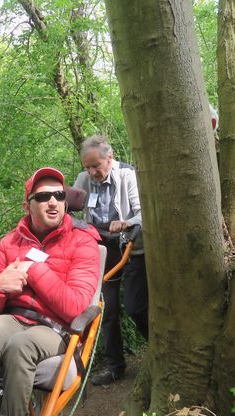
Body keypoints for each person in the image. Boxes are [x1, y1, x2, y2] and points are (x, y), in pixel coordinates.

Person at [0, 167, 101, 416]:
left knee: (21, 345)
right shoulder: (9, 243)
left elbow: (75, 308)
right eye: (42, 196)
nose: (52, 202)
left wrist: (33, 269)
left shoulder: (82, 242)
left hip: (55, 329)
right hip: (12, 317)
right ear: (27, 205)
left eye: (59, 196)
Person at [73, 134, 148, 386]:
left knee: (136, 306)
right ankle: (116, 366)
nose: (92, 172)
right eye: (87, 167)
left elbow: (143, 212)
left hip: (132, 247)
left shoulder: (127, 175)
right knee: (107, 310)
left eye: (96, 165)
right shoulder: (84, 180)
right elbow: (72, 206)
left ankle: (159, 352)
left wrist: (126, 223)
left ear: (110, 158)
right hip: (102, 251)